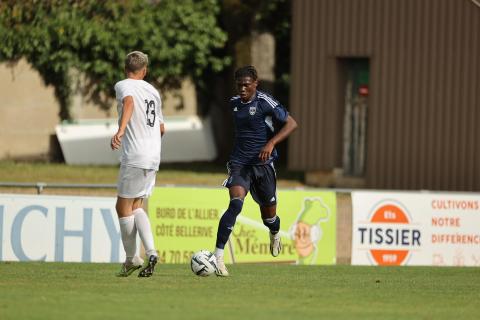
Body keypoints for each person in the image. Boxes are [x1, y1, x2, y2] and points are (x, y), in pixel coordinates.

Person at [214, 65, 298, 276]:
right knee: (235, 205)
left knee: (269, 218)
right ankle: (218, 257)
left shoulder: (265, 102)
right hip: (240, 164)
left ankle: (275, 232)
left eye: (246, 85)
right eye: (239, 85)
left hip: (264, 166)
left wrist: (271, 144)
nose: (242, 89)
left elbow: (291, 124)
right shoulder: (234, 104)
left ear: (255, 84)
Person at [111, 51, 165, 277]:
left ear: (126, 69)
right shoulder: (153, 91)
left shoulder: (123, 85)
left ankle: (131, 257)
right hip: (153, 156)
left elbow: (129, 102)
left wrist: (121, 130)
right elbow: (161, 128)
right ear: (144, 70)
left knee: (122, 207)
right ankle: (151, 251)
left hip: (135, 155)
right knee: (136, 206)